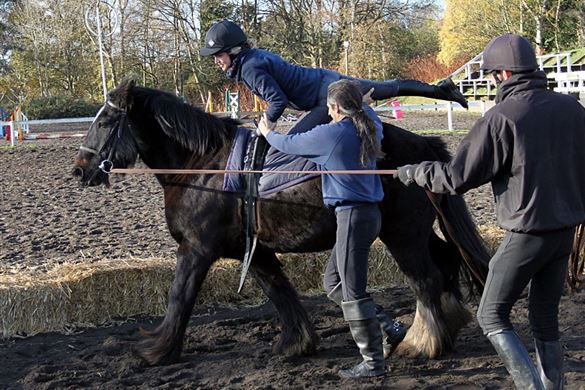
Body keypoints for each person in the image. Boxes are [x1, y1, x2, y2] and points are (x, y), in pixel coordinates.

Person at [394, 33, 585, 389]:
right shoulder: (572, 108)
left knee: (491, 314)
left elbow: (456, 177)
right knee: (545, 319)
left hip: (527, 236)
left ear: (502, 74)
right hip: (564, 235)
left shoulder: (502, 118)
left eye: (492, 75)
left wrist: (415, 172)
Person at [258, 79, 401, 379]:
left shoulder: (331, 134)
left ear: (335, 108)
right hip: (368, 215)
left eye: (329, 107)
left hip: (352, 216)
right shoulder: (371, 125)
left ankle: (373, 363)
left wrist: (267, 132)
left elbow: (289, 144)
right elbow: (368, 115)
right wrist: (368, 107)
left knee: (352, 292)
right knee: (333, 282)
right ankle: (389, 327)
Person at [200, 19, 468, 135]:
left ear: (234, 51)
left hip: (323, 97)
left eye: (219, 55)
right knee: (389, 88)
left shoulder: (249, 67)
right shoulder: (253, 56)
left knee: (291, 142)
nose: (216, 61)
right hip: (326, 80)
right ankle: (442, 90)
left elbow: (277, 102)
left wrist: (266, 125)